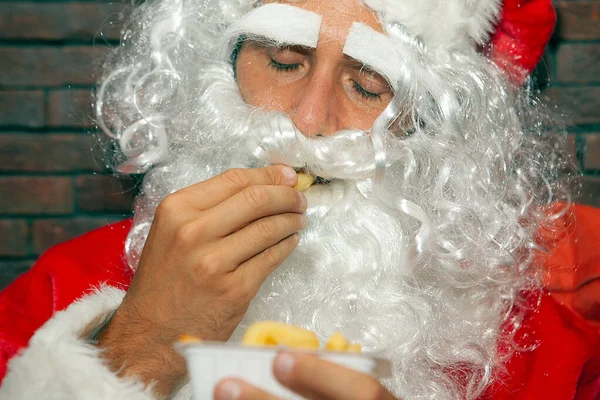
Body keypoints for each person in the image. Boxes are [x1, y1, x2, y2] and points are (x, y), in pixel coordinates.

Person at [0, 0, 599, 399]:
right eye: (283, 62)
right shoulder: (60, 293)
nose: (311, 122)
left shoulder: (548, 355)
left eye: (369, 85)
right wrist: (140, 343)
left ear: (433, 128)